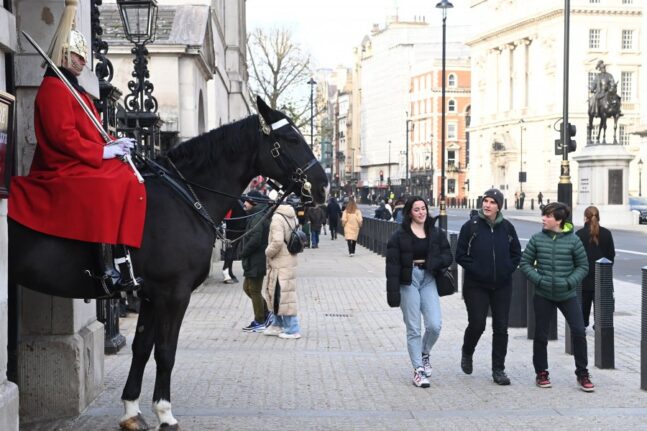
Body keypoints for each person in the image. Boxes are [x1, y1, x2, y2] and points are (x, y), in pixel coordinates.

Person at [8, 20, 145, 292]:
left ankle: (123, 256)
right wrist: (103, 152)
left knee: (127, 176)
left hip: (80, 158)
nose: (83, 61)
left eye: (84, 56)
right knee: (107, 184)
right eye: (77, 55)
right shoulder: (54, 88)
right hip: (61, 164)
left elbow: (90, 131)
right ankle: (103, 265)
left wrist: (115, 143)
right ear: (63, 55)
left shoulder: (73, 88)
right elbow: (62, 136)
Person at [519, 202, 593, 392]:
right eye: (544, 215)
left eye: (548, 216)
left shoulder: (574, 241)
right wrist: (540, 280)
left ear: (558, 220)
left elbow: (583, 266)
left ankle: (582, 373)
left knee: (578, 330)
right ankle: (541, 372)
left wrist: (569, 282)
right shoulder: (537, 239)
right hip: (543, 294)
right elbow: (525, 263)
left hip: (567, 294)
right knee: (541, 334)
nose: (543, 219)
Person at [455, 189, 522, 385]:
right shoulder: (471, 227)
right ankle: (467, 351)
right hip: (476, 285)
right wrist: (477, 269)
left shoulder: (507, 228)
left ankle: (498, 369)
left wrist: (506, 269)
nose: (487, 205)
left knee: (501, 328)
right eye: (485, 201)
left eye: (492, 202)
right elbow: (460, 255)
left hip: (502, 285)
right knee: (478, 324)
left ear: (499, 206)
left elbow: (516, 253)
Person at [385, 196, 453, 388]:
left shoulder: (436, 232)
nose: (421, 212)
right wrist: (393, 294)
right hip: (408, 281)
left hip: (429, 278)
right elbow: (391, 266)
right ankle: (418, 370)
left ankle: (424, 352)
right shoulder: (398, 236)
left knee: (434, 325)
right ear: (409, 213)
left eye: (423, 208)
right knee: (414, 328)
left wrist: (435, 262)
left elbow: (448, 255)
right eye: (417, 209)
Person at [263, 203, 302, 339]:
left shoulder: (277, 219)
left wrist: (267, 252)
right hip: (289, 259)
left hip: (280, 261)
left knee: (284, 295)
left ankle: (292, 329)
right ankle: (277, 324)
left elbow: (277, 242)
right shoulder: (291, 216)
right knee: (278, 293)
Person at [575, 206, 616, 328]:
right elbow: (611, 256)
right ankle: (600, 324)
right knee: (602, 304)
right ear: (598, 217)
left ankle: (583, 324)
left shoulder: (579, 234)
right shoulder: (606, 233)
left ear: (585, 218)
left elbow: (575, 256)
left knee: (583, 305)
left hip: (584, 277)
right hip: (603, 277)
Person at [239, 191, 273, 333]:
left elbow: (255, 239)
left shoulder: (257, 216)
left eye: (246, 201)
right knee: (248, 288)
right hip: (253, 260)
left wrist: (243, 252)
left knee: (254, 290)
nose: (244, 203)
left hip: (256, 259)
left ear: (253, 201)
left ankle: (260, 320)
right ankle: (266, 313)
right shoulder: (256, 215)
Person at [221, 201, 246, 284]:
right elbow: (227, 216)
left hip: (238, 229)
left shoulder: (238, 201)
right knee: (230, 251)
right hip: (233, 229)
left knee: (232, 251)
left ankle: (229, 272)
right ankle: (226, 270)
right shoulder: (233, 201)